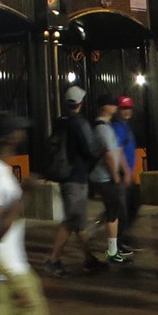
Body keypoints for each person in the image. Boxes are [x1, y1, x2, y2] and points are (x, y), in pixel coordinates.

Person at [0, 112, 56, 315]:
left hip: (18, 277)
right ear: (9, 137)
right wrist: (25, 194)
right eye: (18, 129)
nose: (23, 134)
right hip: (0, 283)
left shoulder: (2, 171)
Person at [42, 86, 104, 277]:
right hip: (77, 177)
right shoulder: (79, 123)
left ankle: (89, 259)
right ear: (81, 103)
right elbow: (90, 150)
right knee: (71, 220)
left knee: (79, 220)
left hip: (65, 175)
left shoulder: (61, 122)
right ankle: (53, 260)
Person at [88, 93, 129, 265]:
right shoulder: (102, 128)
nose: (115, 107)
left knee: (113, 211)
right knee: (113, 212)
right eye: (112, 104)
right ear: (105, 107)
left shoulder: (106, 126)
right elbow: (108, 156)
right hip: (104, 177)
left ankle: (93, 231)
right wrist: (115, 175)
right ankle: (112, 251)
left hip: (104, 176)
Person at [111, 95, 140, 255]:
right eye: (124, 108)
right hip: (123, 174)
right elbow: (119, 150)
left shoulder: (125, 126)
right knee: (123, 209)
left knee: (132, 204)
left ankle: (123, 237)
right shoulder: (117, 127)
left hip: (128, 173)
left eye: (129, 108)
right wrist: (127, 172)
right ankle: (119, 241)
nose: (127, 111)